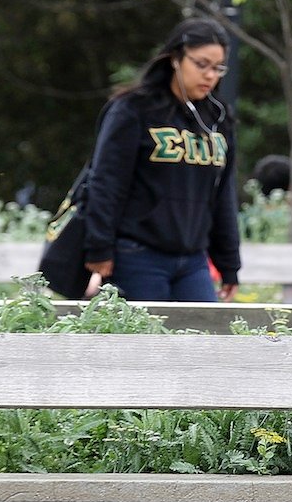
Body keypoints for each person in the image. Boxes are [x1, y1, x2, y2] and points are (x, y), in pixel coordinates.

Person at [82, 18, 241, 302]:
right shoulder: (133, 109)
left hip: (193, 261)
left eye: (218, 68)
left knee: (206, 341)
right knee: (146, 344)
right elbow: (107, 181)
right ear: (175, 59)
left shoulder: (218, 118)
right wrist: (100, 247)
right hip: (137, 255)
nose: (210, 76)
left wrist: (229, 265)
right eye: (201, 64)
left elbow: (223, 194)